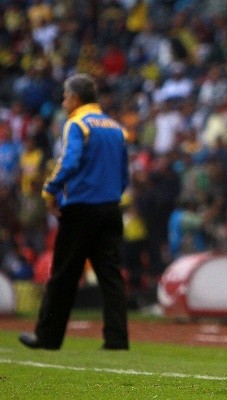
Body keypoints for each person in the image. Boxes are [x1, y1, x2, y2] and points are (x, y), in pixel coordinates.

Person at [19, 73, 130, 350]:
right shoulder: (115, 128)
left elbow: (69, 162)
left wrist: (49, 190)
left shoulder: (77, 123)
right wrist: (112, 195)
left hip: (80, 209)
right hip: (110, 209)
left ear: (76, 98)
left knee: (64, 275)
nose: (63, 102)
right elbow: (123, 174)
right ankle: (117, 339)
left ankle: (47, 337)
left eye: (66, 97)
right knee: (111, 276)